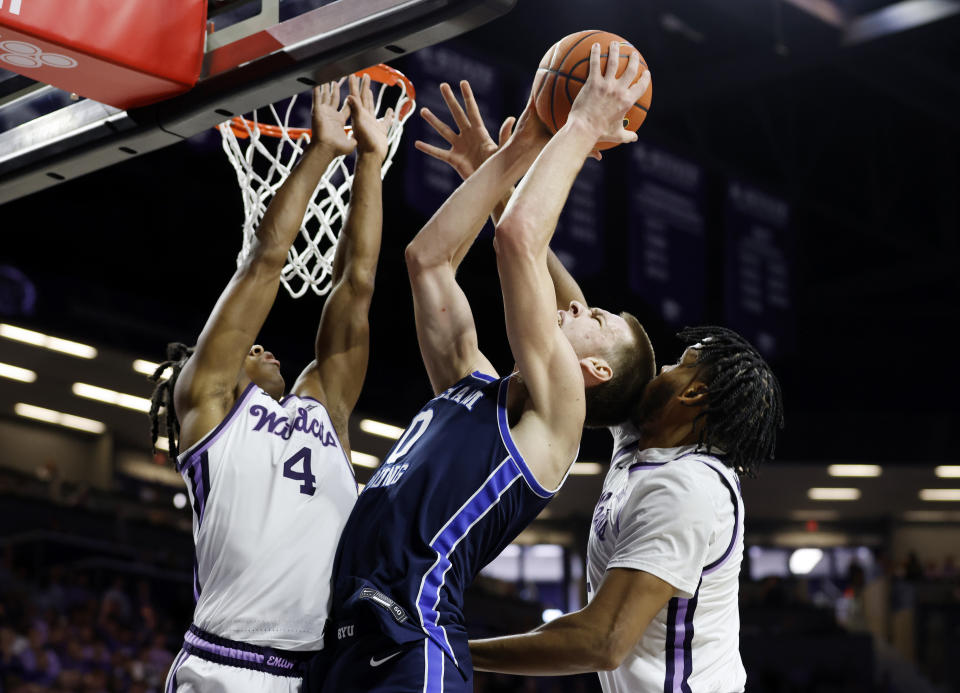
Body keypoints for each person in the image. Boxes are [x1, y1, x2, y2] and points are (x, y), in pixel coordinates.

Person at [419, 72, 784, 693]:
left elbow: (602, 642)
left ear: (693, 395)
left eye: (678, 365)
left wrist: (446, 647)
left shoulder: (686, 489)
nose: (661, 367)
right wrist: (494, 177)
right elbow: (567, 311)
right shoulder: (642, 436)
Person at [312, 42, 654, 693]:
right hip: (347, 641)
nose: (577, 302)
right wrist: (517, 145)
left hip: (416, 645)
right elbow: (427, 260)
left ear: (594, 373)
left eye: (597, 317)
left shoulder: (559, 418)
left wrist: (580, 123)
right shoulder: (469, 382)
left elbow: (520, 238)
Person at [146, 76, 394, 693]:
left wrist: (369, 160)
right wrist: (317, 153)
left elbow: (356, 285)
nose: (258, 345)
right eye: (239, 350)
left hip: (315, 673)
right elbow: (264, 259)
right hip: (226, 668)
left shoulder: (321, 406)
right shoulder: (206, 414)